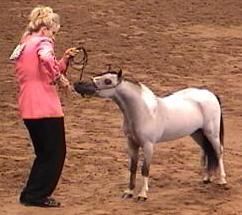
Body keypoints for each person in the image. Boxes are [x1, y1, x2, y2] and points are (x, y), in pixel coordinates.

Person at [9, 5, 79, 207]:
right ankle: (36, 195)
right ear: (46, 28)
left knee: (44, 153)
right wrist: (59, 78)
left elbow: (41, 68)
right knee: (56, 152)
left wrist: (65, 60)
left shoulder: (25, 43)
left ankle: (31, 193)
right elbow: (47, 60)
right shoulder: (43, 42)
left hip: (28, 105)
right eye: (54, 33)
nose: (54, 38)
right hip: (45, 106)